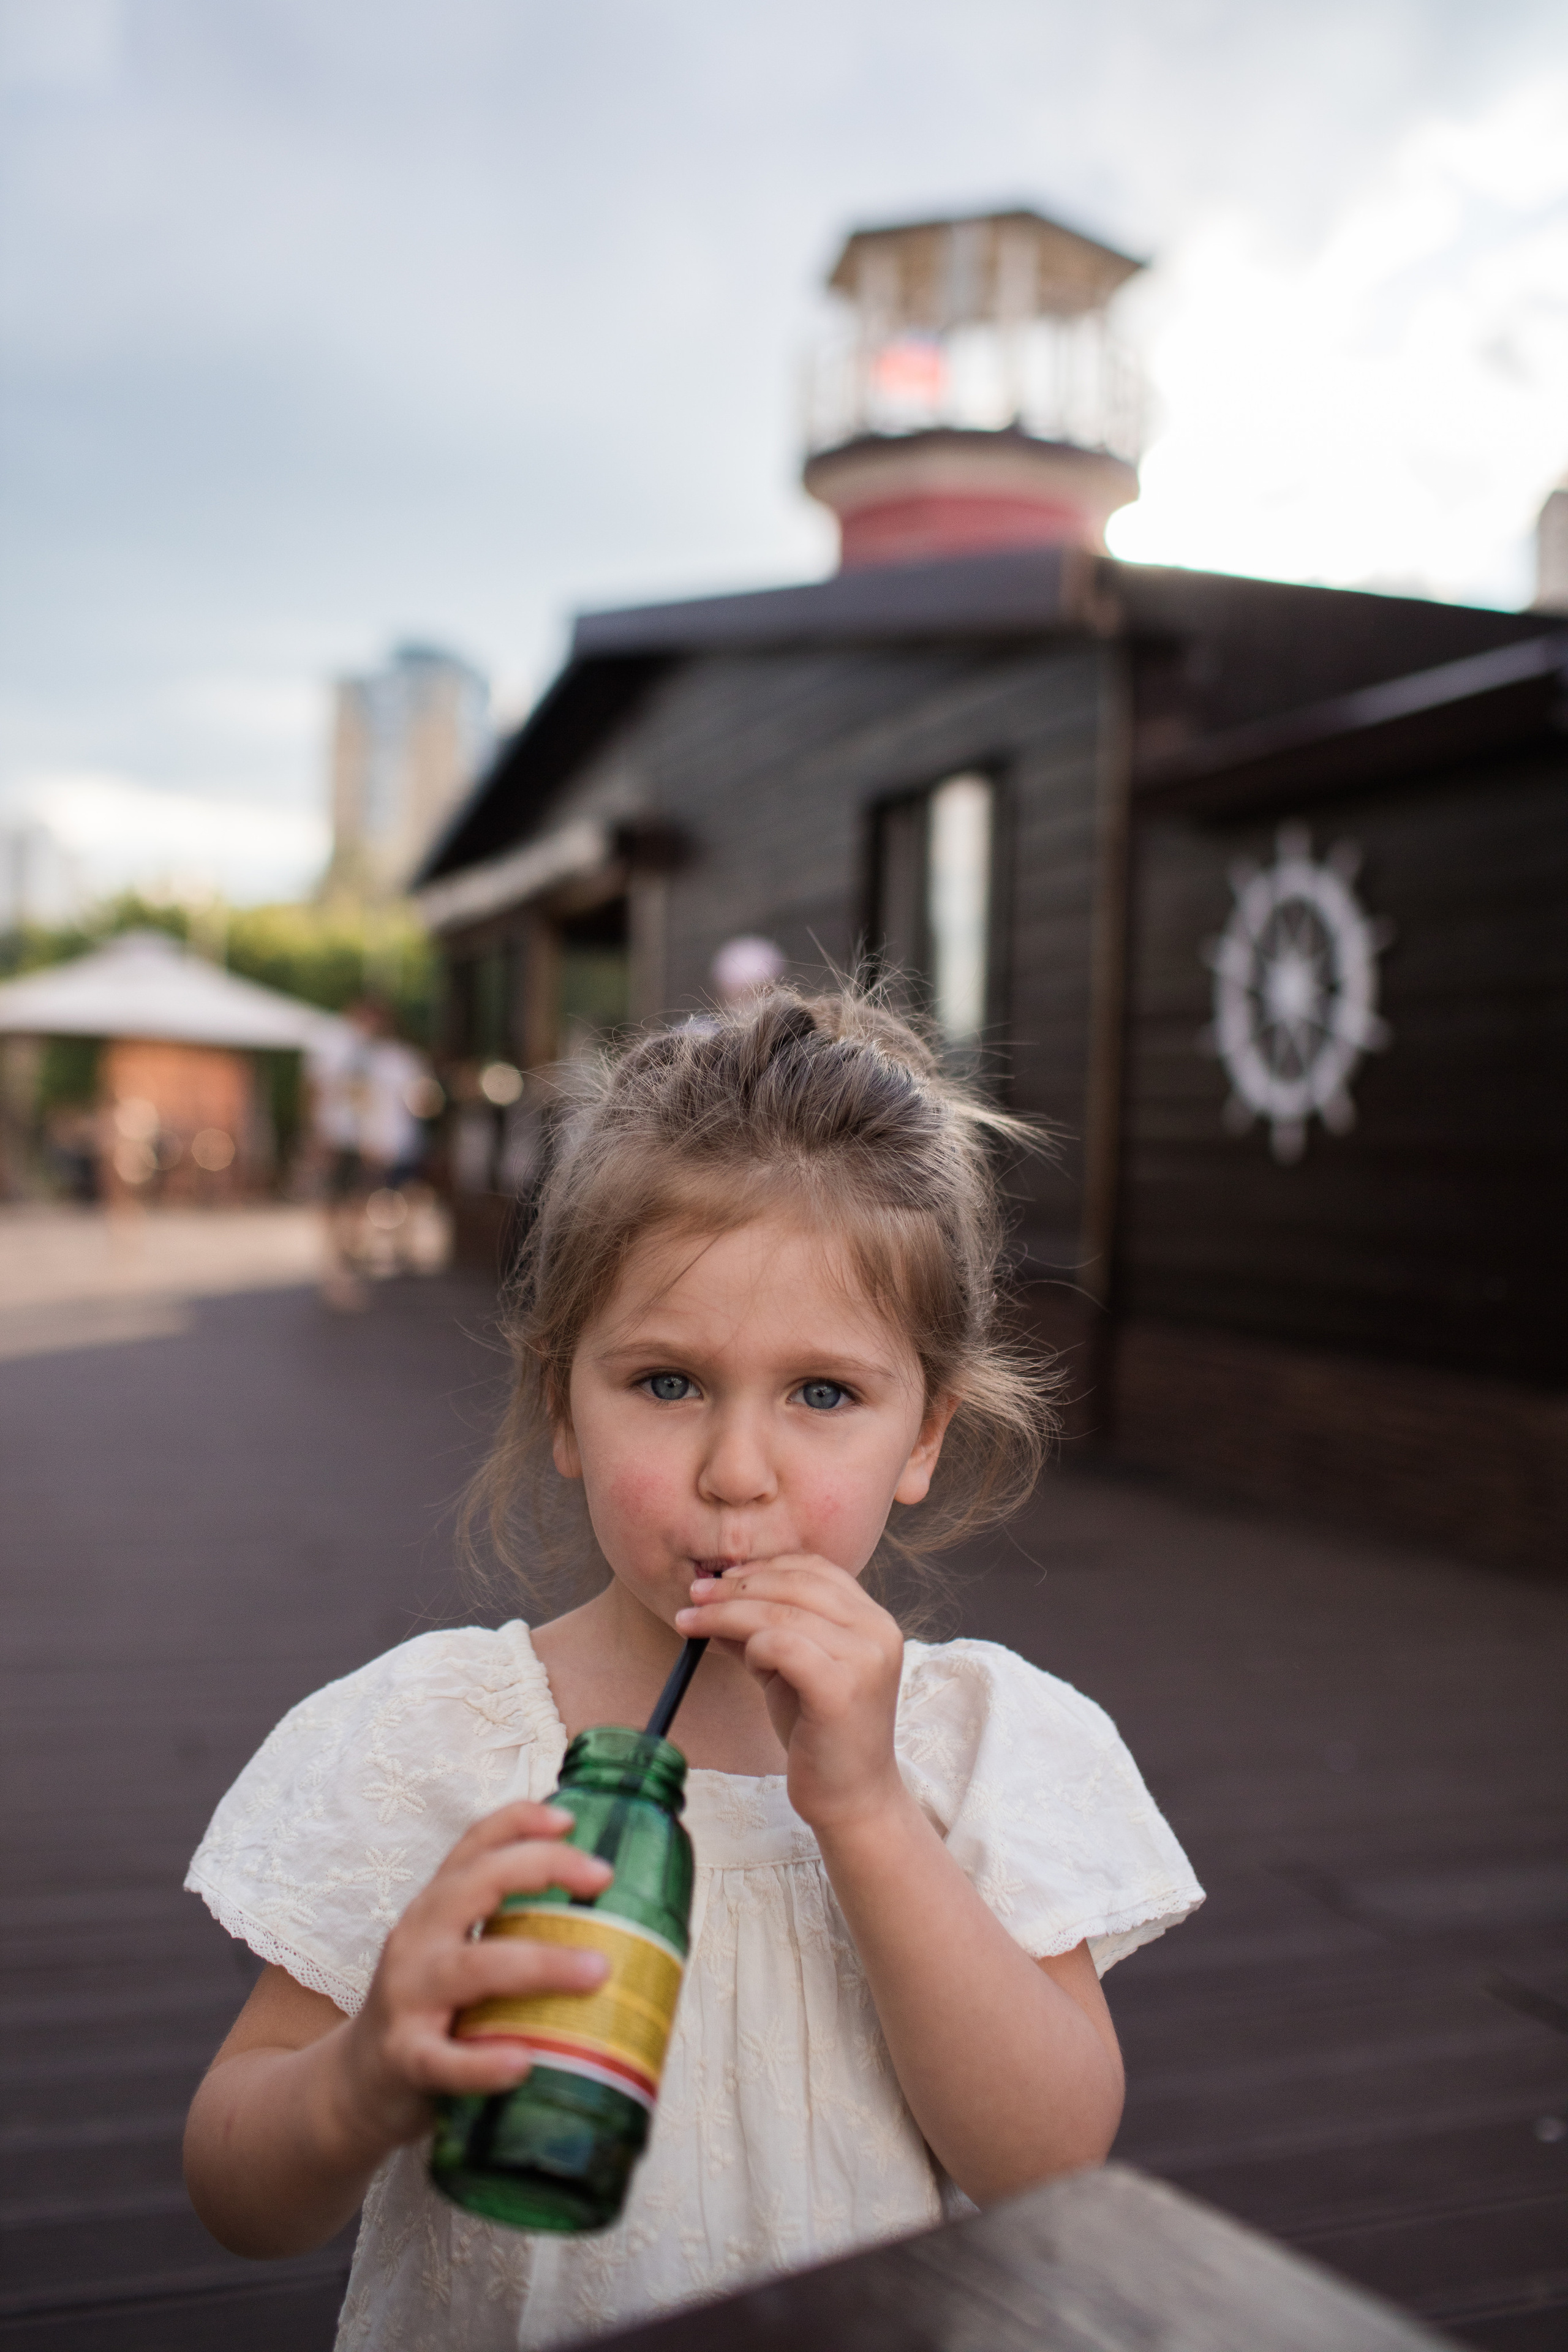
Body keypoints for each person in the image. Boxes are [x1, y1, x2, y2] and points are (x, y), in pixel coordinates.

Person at [183, 985, 1204, 2350]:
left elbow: (1048, 2156)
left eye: (822, 1395)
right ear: (562, 1404)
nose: (735, 1473)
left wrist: (863, 1809)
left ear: (922, 1438)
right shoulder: (431, 1740)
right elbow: (238, 2195)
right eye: (666, 1383)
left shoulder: (979, 1745)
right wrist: (362, 2080)